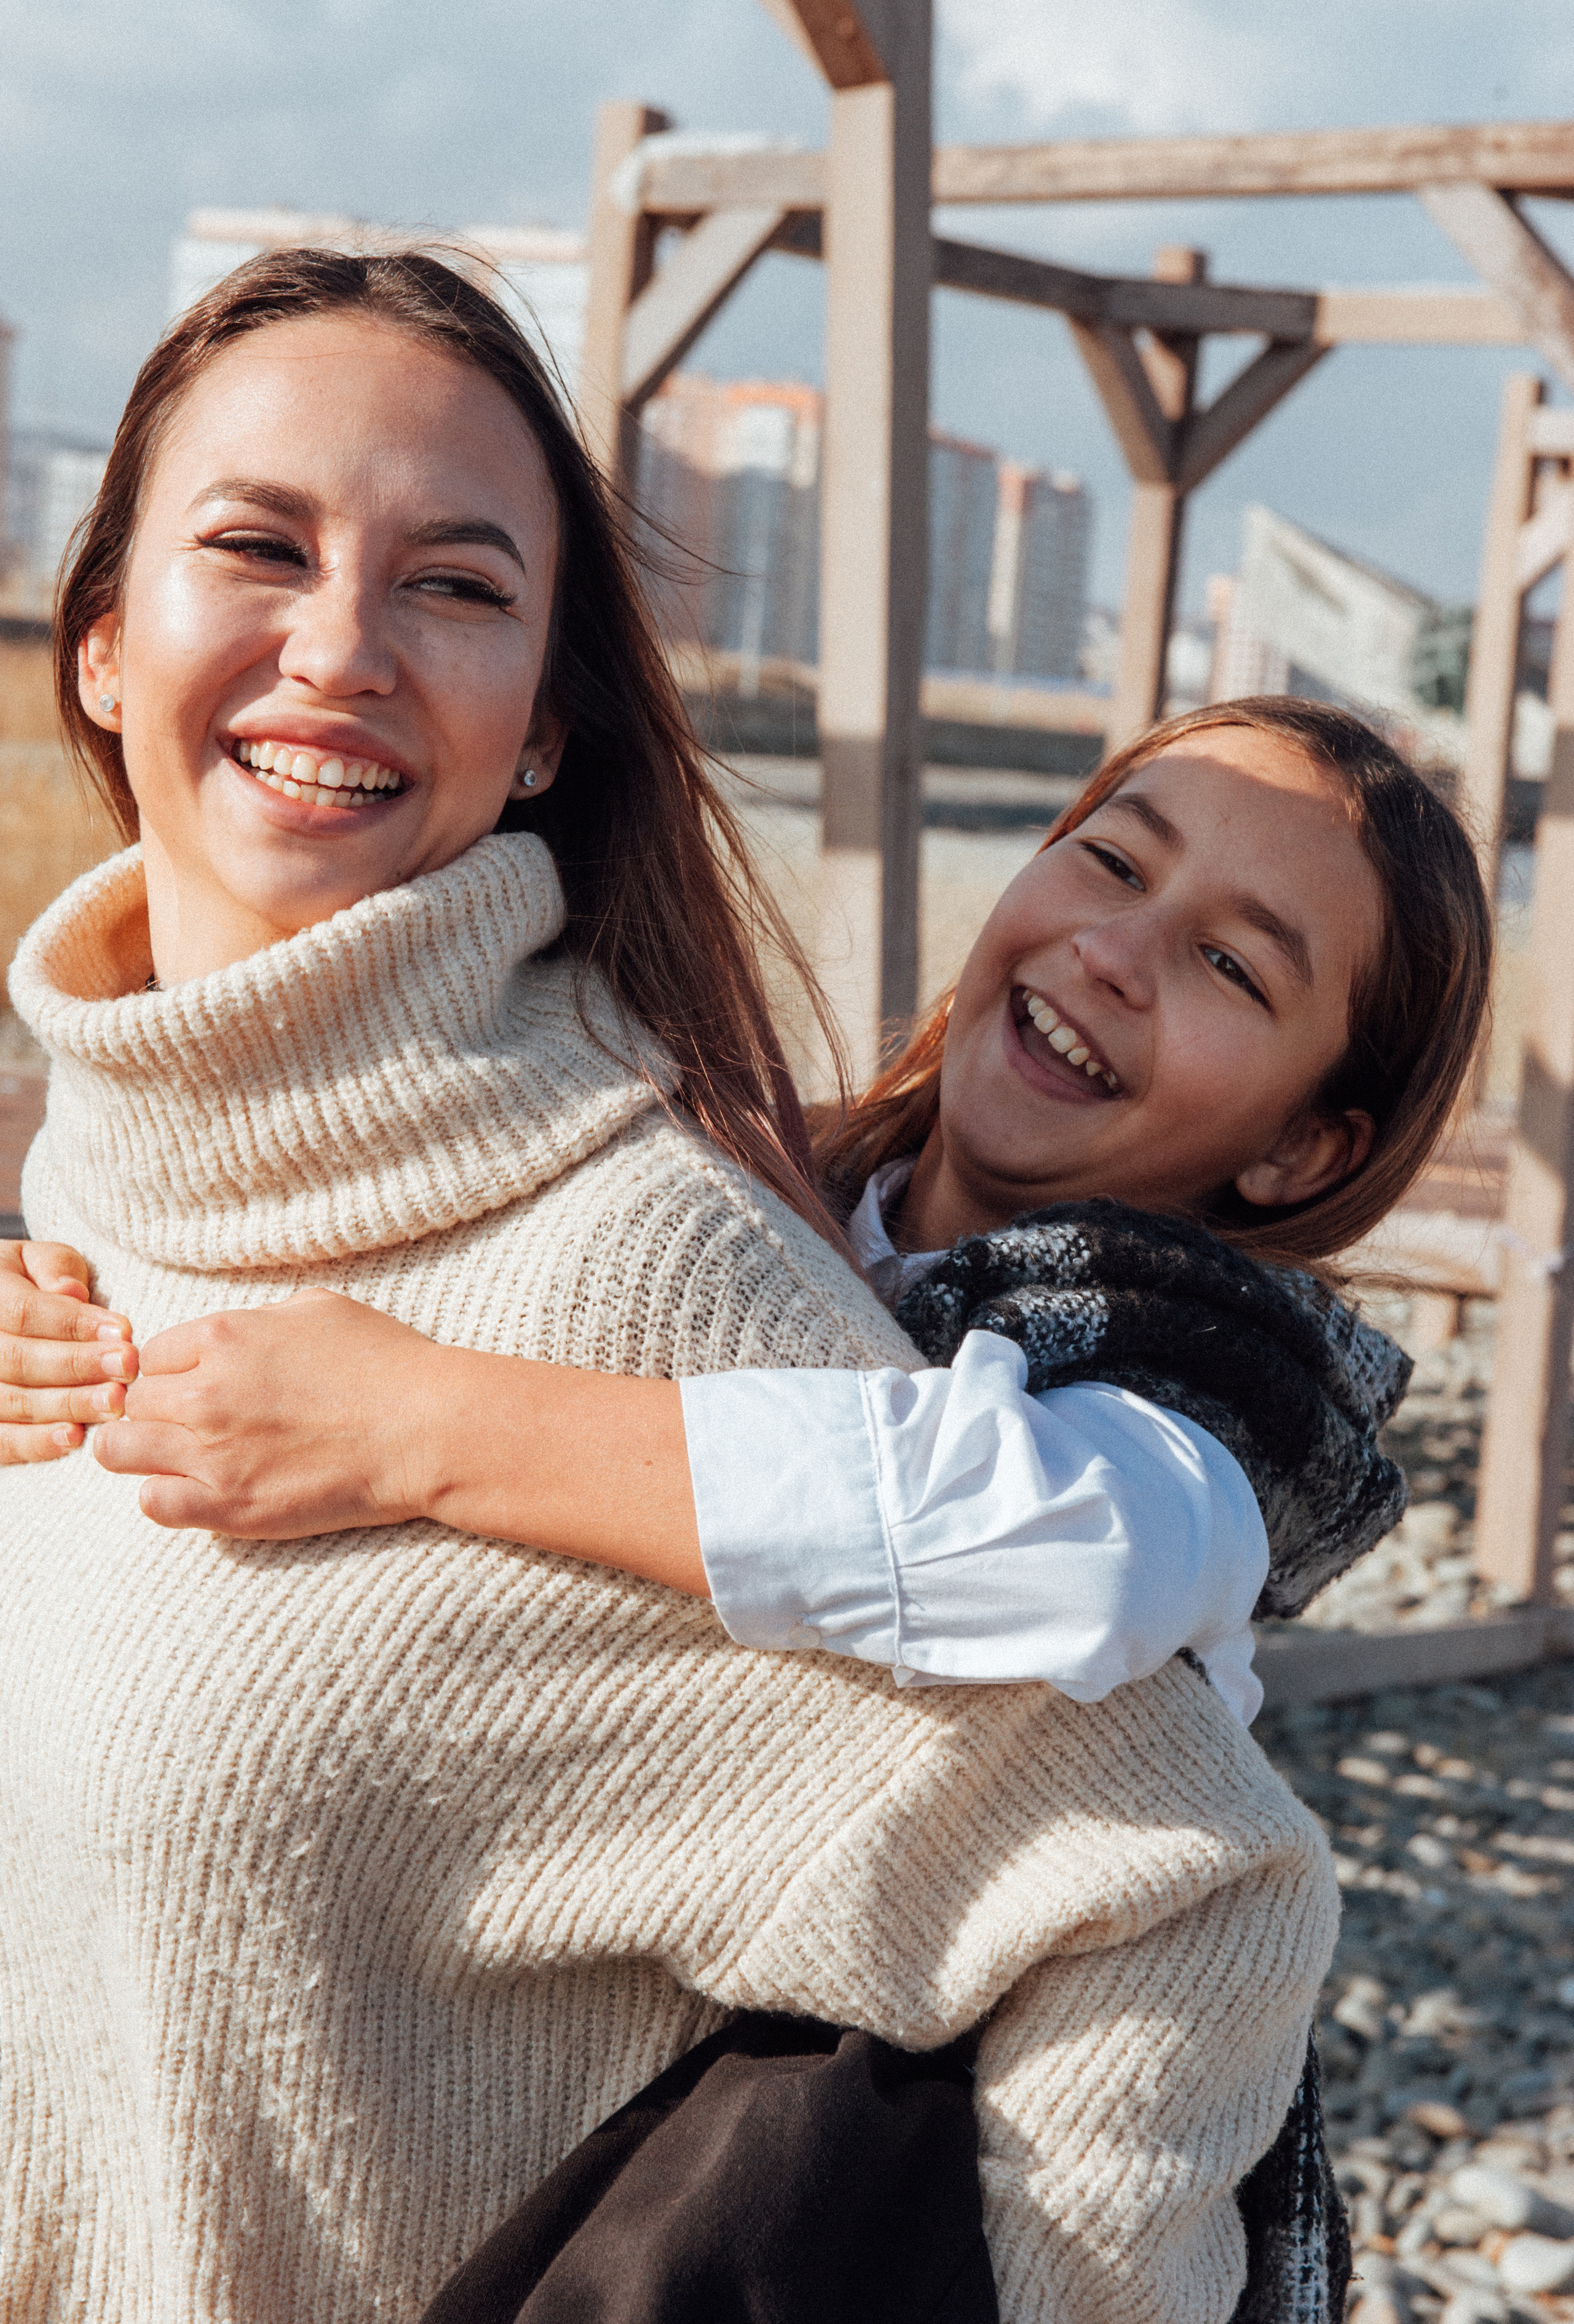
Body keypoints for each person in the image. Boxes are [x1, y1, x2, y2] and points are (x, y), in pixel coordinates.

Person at [0, 248, 1339, 2324]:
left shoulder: (639, 1268)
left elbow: (1190, 1880)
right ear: (99, 642)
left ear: (544, 731)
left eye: (454, 584)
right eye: (259, 544)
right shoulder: (85, 1175)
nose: (339, 645)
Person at [2, 703, 1490, 1736]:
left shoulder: (1231, 1392)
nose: (1112, 948)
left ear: (1302, 1146)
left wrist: (419, 1422)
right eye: (1110, 859)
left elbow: (1070, 1545)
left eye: (1231, 965)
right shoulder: (754, 1175)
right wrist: (84, 1333)